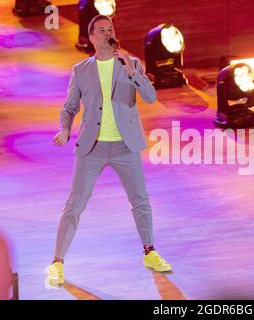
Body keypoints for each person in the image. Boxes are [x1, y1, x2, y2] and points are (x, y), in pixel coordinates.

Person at [46, 15, 171, 286]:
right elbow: (69, 107)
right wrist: (65, 129)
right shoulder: (81, 70)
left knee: (140, 200)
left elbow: (151, 97)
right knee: (74, 204)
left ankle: (149, 252)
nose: (107, 33)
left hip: (125, 145)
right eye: (101, 30)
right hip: (93, 146)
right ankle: (56, 263)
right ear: (91, 38)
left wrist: (131, 72)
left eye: (110, 29)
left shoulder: (131, 64)